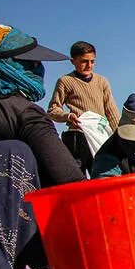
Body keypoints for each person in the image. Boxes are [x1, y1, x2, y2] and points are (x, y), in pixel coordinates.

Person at [0, 24, 85, 269]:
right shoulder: (25, 111)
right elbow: (70, 179)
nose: (39, 70)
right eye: (31, 64)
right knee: (14, 153)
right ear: (9, 67)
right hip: (10, 251)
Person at [47, 41, 120, 176]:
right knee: (76, 177)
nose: (89, 65)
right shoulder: (66, 81)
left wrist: (119, 136)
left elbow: (111, 112)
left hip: (100, 136)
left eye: (93, 61)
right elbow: (53, 110)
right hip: (77, 136)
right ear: (73, 61)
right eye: (84, 61)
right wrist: (67, 116)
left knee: (103, 175)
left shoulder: (101, 81)